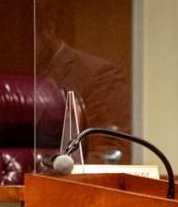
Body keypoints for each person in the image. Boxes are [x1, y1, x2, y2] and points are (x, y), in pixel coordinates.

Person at [36, 15, 131, 163]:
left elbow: (111, 151)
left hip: (68, 180)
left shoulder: (99, 74)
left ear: (49, 29)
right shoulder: (24, 73)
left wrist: (56, 177)